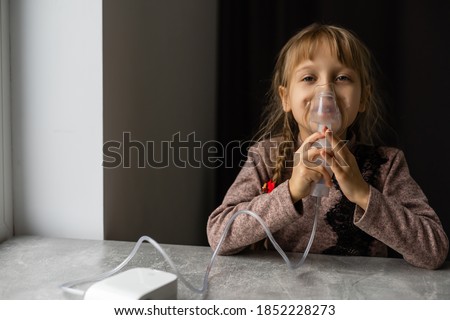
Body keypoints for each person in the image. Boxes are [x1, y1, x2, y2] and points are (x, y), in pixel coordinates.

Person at [207, 23, 449, 269]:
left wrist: (363, 193)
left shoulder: (387, 163)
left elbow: (434, 250)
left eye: (342, 78)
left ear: (364, 97)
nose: (326, 90)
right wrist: (289, 192)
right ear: (285, 97)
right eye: (309, 78)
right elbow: (218, 235)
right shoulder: (266, 157)